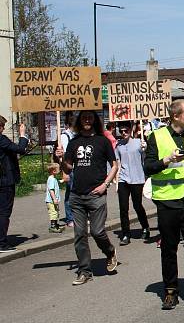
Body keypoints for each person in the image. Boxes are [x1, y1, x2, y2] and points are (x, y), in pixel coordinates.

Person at [143, 99, 184, 310]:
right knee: (169, 248)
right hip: (168, 201)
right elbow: (148, 167)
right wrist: (166, 160)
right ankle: (170, 290)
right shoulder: (157, 136)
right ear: (176, 116)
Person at [55, 111, 119, 285]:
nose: (87, 120)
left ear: (95, 120)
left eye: (90, 118)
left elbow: (114, 165)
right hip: (77, 195)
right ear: (79, 121)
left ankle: (110, 251)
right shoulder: (74, 142)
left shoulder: (102, 141)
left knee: (97, 231)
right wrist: (60, 158)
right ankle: (84, 271)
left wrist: (105, 185)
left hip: (96, 195)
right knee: (79, 235)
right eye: (84, 118)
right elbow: (68, 169)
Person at [115, 122, 150, 245]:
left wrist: (145, 147)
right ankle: (126, 234)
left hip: (137, 178)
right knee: (123, 208)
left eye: (126, 130)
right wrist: (116, 181)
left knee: (137, 205)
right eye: (121, 131)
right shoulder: (118, 145)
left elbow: (146, 157)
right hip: (123, 179)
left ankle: (145, 226)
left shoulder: (138, 143)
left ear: (130, 130)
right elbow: (118, 163)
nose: (123, 133)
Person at [0, 117, 28, 252]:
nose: (3, 129)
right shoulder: (1, 139)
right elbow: (20, 149)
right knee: (4, 212)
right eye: (2, 126)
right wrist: (22, 134)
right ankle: (2, 243)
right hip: (4, 181)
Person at [59, 115, 77, 227]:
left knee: (78, 193)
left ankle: (78, 216)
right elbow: (64, 155)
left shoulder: (75, 135)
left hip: (78, 167)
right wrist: (64, 172)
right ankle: (70, 218)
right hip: (70, 168)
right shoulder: (65, 136)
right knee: (70, 193)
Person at [45, 163, 64, 233]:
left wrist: (61, 181)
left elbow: (55, 183)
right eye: (58, 169)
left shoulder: (53, 179)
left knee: (56, 211)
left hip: (52, 200)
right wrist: (54, 199)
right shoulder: (51, 179)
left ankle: (55, 224)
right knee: (53, 212)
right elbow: (51, 190)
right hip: (51, 201)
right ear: (54, 171)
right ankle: (53, 226)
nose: (60, 170)